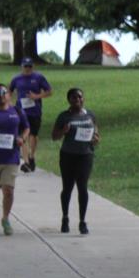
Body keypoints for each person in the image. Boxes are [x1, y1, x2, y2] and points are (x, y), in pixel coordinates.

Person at [51, 88, 100, 235]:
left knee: (82, 188)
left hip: (85, 156)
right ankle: (65, 218)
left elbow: (96, 133)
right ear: (69, 100)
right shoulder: (64, 116)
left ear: (83, 99)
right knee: (67, 188)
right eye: (74, 97)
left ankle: (82, 221)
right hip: (68, 156)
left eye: (80, 97)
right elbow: (54, 136)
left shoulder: (90, 115)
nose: (77, 100)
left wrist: (96, 139)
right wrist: (63, 131)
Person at [9, 56, 53, 172]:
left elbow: (49, 91)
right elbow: (9, 91)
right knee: (23, 135)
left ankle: (31, 156)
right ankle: (26, 162)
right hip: (21, 111)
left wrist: (37, 96)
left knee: (33, 135)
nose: (27, 68)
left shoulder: (38, 77)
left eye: (29, 66)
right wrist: (11, 104)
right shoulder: (16, 79)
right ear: (21, 67)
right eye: (25, 66)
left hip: (35, 111)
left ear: (33, 66)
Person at [0, 82, 30, 236]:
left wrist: (22, 139)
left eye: (3, 92)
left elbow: (26, 127)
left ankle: (5, 219)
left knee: (9, 190)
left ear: (9, 95)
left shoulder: (17, 111)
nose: (1, 96)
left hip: (11, 157)